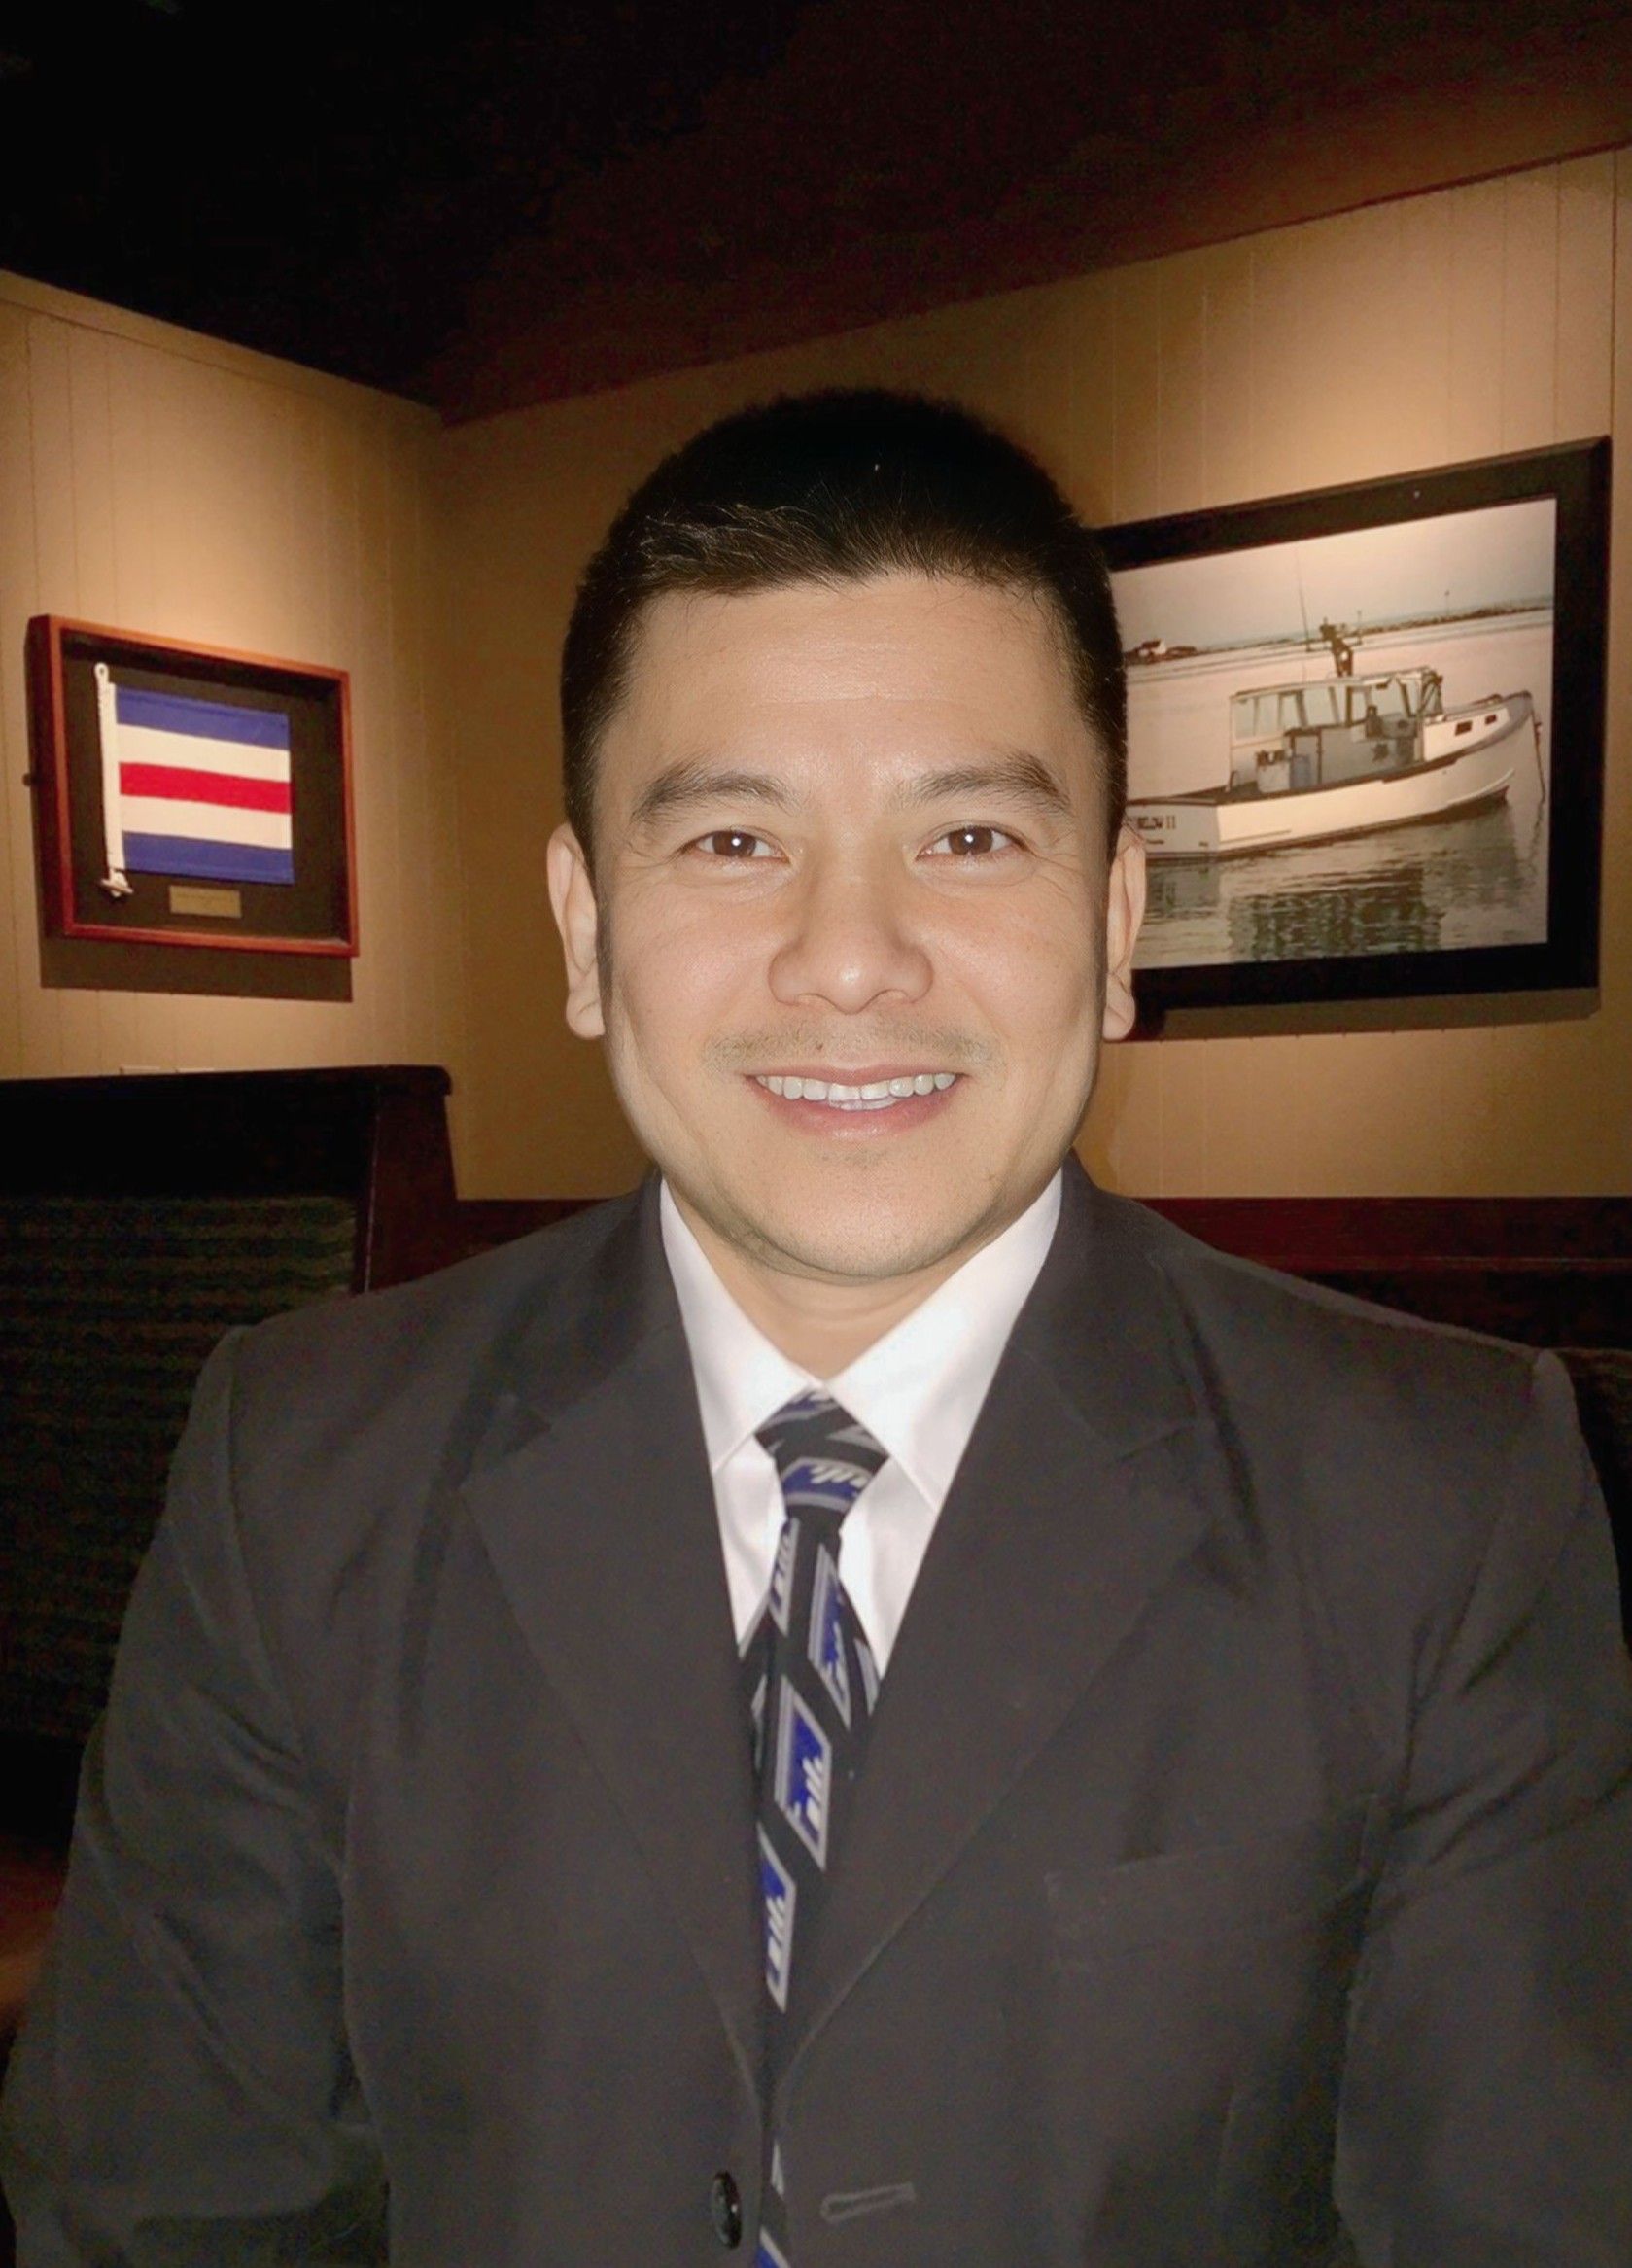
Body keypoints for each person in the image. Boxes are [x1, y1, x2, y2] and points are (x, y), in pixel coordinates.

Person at [3, 391, 1629, 2267]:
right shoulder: (293, 1463)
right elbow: (159, 2215)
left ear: (1114, 923)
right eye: (732, 845)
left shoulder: (1444, 1498)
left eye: (970, 838)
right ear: (583, 925)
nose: (850, 958)